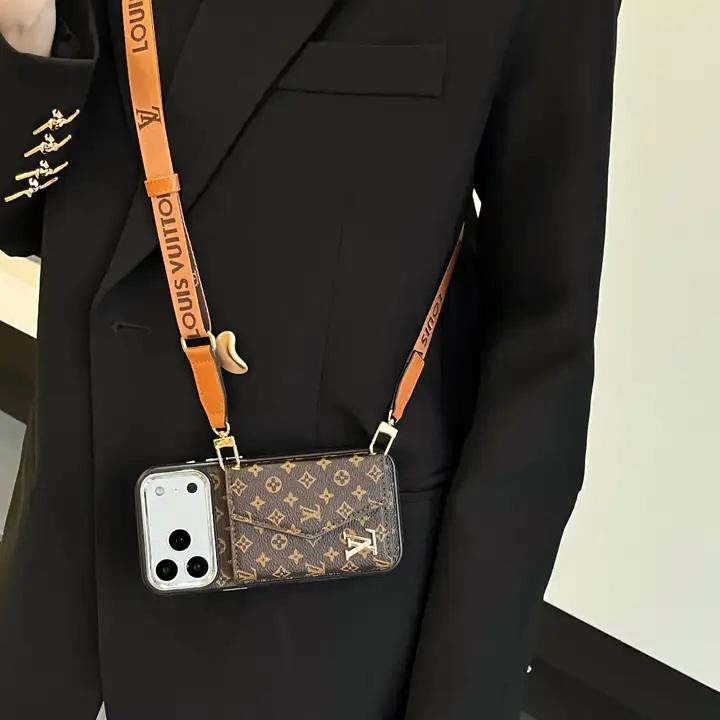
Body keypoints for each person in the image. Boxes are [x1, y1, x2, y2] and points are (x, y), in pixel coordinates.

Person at [0, 0, 623, 718]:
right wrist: (25, 36)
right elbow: (28, 219)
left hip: (312, 622)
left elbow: (542, 340)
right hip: (58, 580)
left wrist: (465, 692)